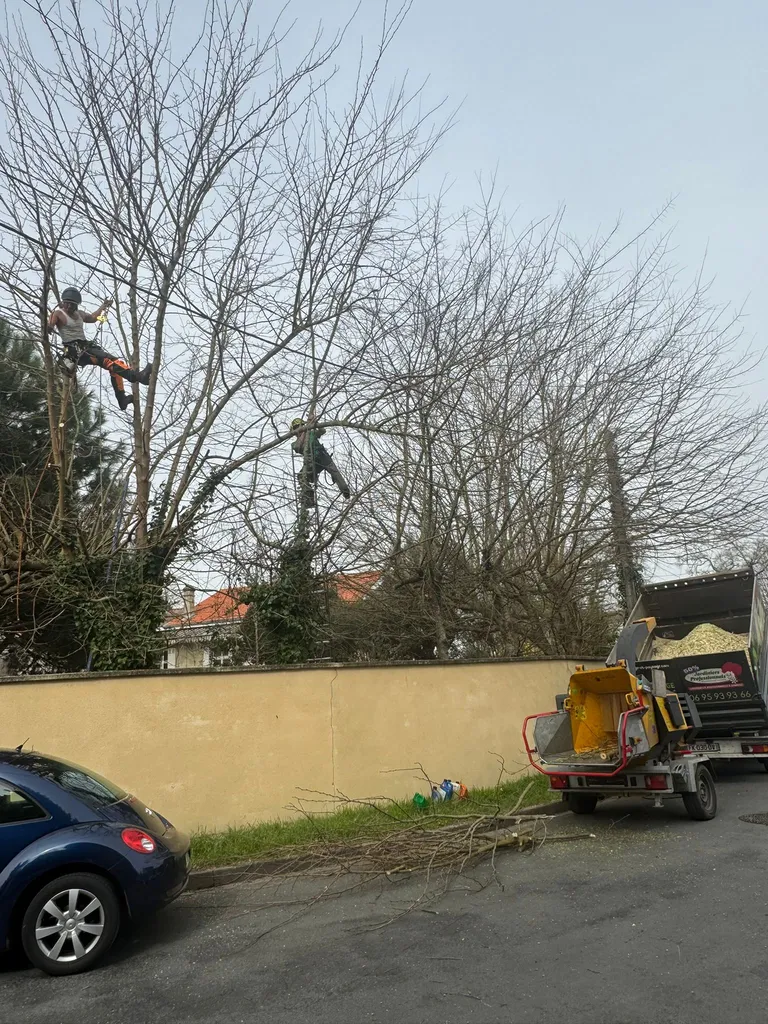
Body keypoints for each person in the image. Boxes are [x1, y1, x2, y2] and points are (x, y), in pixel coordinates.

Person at [48, 287, 152, 411]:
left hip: (86, 346)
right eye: (67, 303)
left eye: (72, 304)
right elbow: (51, 324)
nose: (69, 306)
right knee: (107, 361)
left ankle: (122, 399)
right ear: (63, 302)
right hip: (75, 351)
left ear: (76, 305)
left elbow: (93, 318)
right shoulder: (58, 313)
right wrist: (49, 328)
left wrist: (104, 306)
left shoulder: (79, 314)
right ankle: (137, 376)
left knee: (115, 363)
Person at [291, 415, 350, 507]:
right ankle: (309, 498)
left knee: (335, 473)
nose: (300, 429)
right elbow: (298, 447)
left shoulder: (311, 433)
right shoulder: (294, 444)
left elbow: (322, 431)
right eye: (297, 428)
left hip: (322, 455)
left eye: (301, 426)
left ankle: (345, 491)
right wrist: (306, 429)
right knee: (301, 476)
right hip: (312, 462)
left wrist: (315, 423)